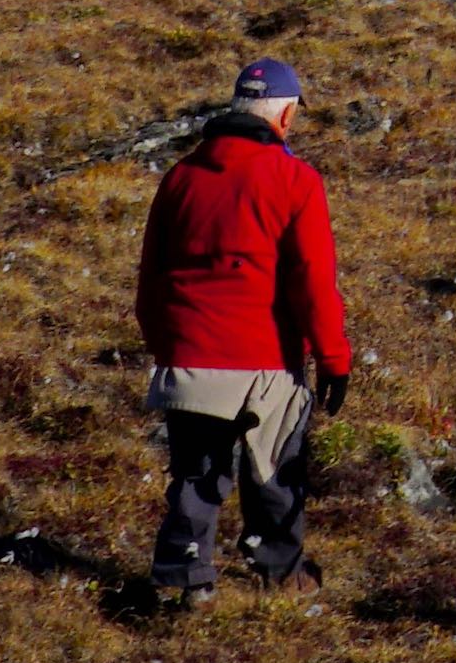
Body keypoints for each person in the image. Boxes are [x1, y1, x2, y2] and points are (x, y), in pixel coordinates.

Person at [131, 56, 351, 604]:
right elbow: (313, 282)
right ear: (284, 115)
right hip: (264, 359)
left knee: (196, 475)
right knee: (274, 470)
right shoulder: (296, 179)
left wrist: (165, 347)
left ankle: (185, 578)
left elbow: (151, 276)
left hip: (188, 355)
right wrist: (333, 359)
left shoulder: (180, 177)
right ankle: (279, 573)